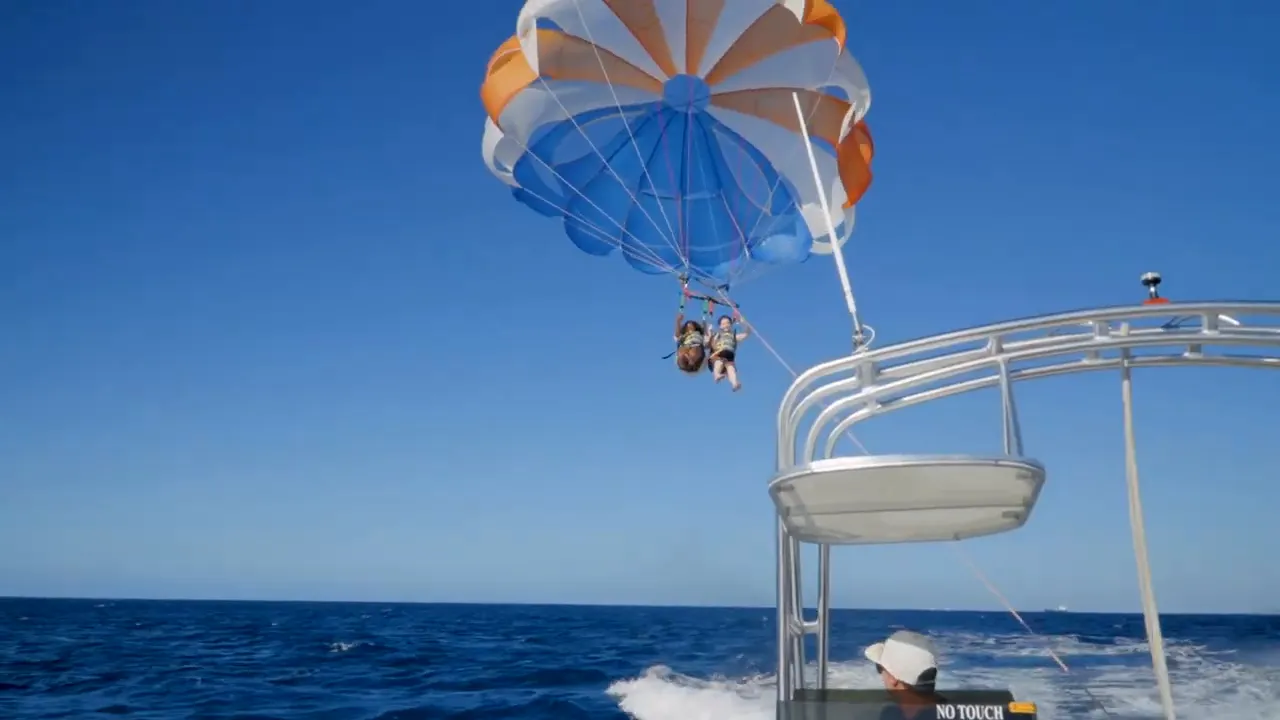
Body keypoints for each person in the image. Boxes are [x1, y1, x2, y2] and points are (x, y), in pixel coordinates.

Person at [865, 630, 946, 719]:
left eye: (880, 668)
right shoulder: (891, 713)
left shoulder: (890, 714)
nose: (881, 676)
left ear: (893, 679)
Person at [708, 314, 749, 391]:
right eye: (723, 324)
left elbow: (746, 334)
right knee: (719, 362)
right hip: (718, 355)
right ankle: (716, 375)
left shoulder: (734, 336)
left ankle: (734, 384)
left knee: (731, 369)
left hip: (729, 356)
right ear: (720, 326)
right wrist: (710, 332)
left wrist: (743, 323)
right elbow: (711, 343)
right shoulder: (718, 335)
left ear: (731, 325)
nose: (726, 325)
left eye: (727, 323)